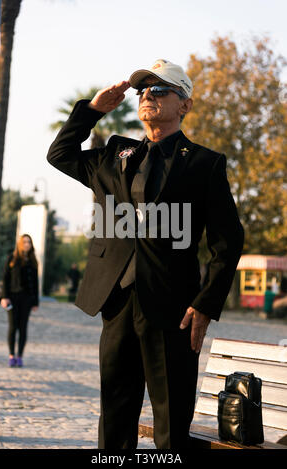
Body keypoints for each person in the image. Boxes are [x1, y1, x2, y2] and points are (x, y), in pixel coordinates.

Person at [47, 59, 244, 449]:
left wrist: (205, 303)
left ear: (184, 104)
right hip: (116, 302)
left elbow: (228, 241)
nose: (147, 96)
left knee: (170, 425)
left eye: (160, 89)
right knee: (115, 417)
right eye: (143, 90)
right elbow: (60, 154)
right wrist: (92, 112)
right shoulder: (113, 154)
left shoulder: (205, 164)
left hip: (175, 311)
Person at [0, 234, 39, 367]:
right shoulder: (12, 259)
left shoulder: (33, 261)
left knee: (23, 328)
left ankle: (20, 356)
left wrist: (35, 302)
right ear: (20, 244)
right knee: (12, 327)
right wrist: (4, 297)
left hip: (27, 299)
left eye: (29, 242)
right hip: (12, 298)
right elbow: (5, 279)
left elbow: (35, 283)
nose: (27, 244)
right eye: (25, 242)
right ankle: (11, 355)